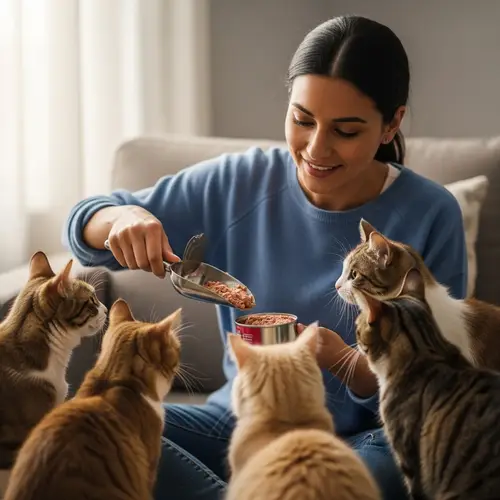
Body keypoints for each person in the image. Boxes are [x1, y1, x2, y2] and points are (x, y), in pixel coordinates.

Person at [64, 15, 467, 500]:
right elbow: (85, 224)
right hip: (239, 418)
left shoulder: (430, 213)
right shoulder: (239, 183)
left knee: (332, 486)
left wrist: (339, 359)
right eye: (302, 120)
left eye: (345, 130)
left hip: (373, 435)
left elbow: (436, 380)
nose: (316, 148)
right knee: (99, 428)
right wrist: (123, 218)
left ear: (391, 124)